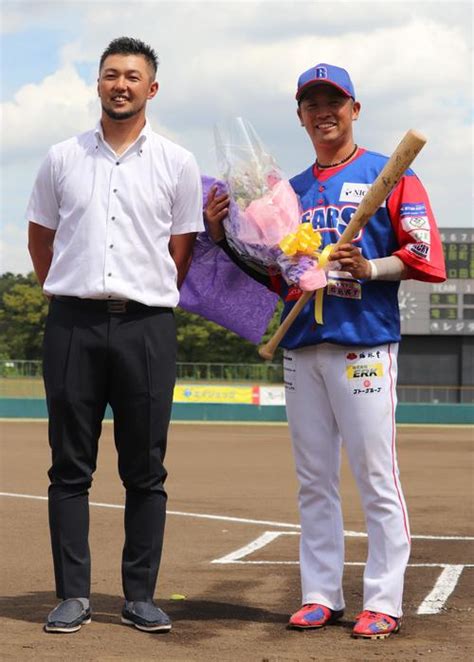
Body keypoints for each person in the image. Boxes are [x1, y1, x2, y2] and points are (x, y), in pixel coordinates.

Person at [205, 63, 446, 639]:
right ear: (300, 116)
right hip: (302, 346)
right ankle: (320, 595)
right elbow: (274, 277)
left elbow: (425, 255)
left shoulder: (390, 173)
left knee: (375, 475)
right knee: (313, 479)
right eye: (312, 104)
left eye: (334, 101)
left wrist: (371, 265)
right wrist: (222, 238)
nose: (324, 112)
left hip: (362, 343)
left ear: (354, 109)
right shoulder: (285, 193)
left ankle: (383, 600)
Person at [26, 36, 203, 634]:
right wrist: (74, 289)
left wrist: (141, 293)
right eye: (109, 75)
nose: (119, 84)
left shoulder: (178, 164)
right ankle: (73, 594)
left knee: (145, 470)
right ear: (97, 84)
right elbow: (40, 240)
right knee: (69, 468)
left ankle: (139, 595)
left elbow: (180, 251)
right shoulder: (60, 158)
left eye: (132, 76)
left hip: (148, 328)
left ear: (151, 88)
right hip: (72, 324)